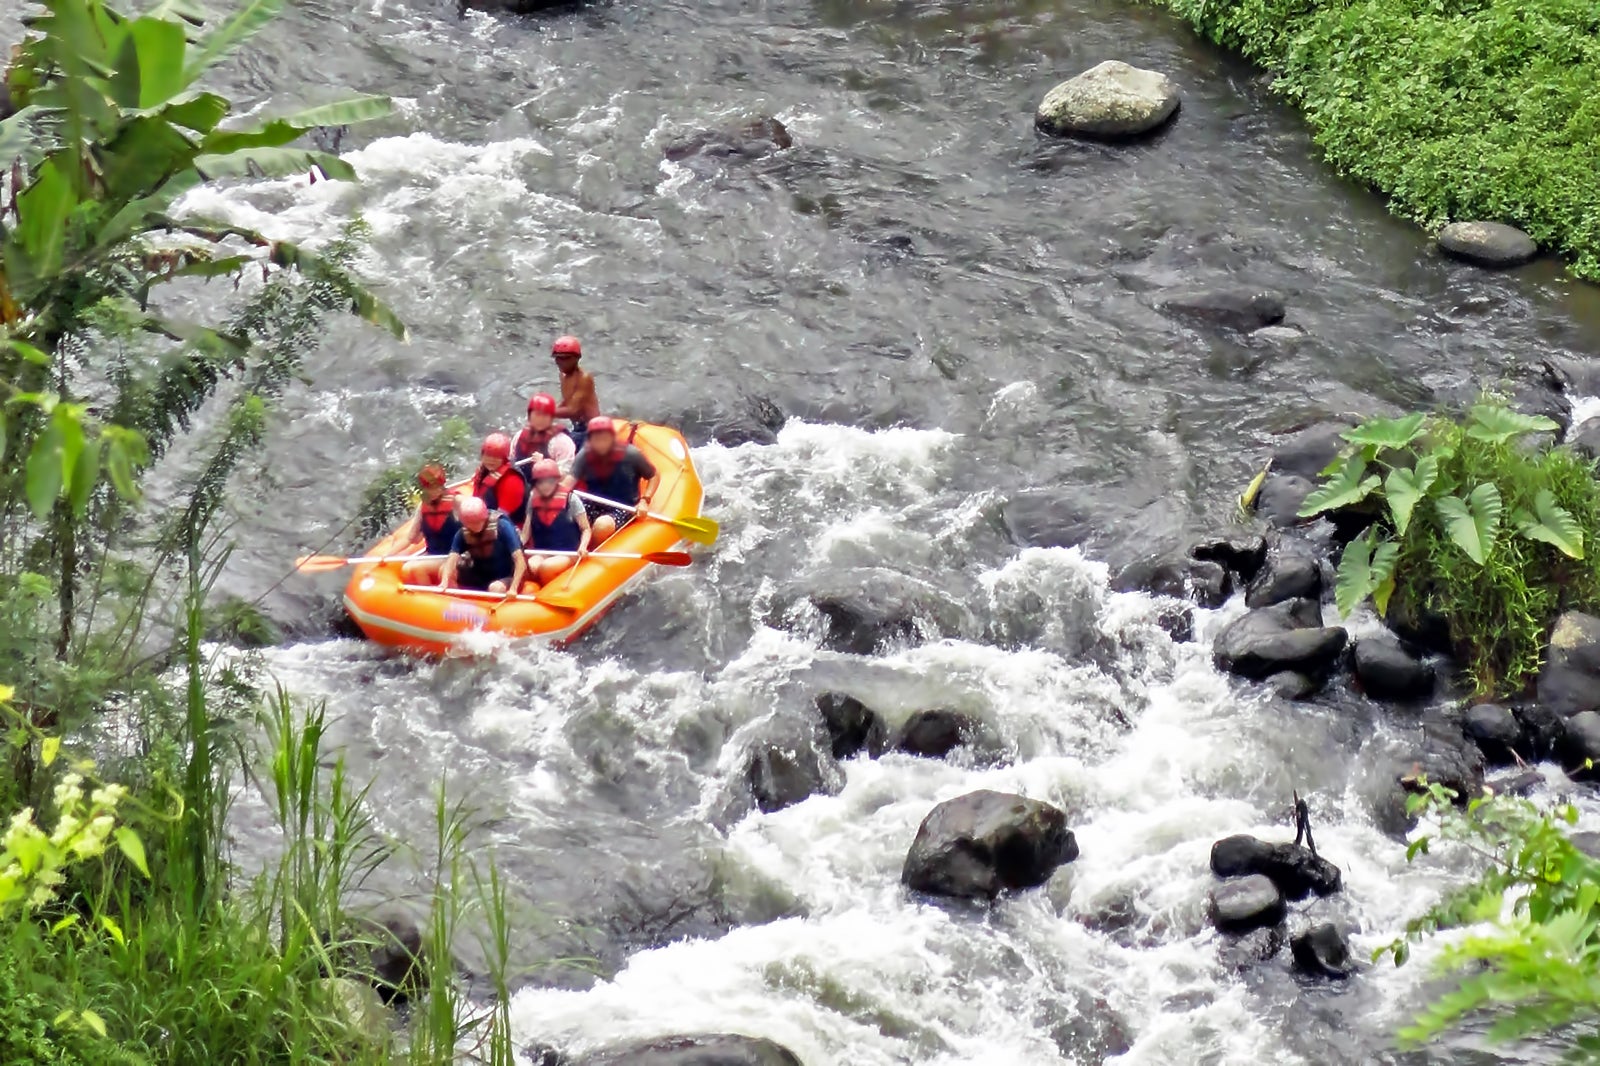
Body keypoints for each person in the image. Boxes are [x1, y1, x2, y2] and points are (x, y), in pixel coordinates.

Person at [565, 415, 660, 545]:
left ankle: (591, 550)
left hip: (624, 507)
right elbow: (569, 481)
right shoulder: (585, 455)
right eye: (596, 439)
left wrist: (645, 500)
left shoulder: (631, 454)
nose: (600, 443)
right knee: (566, 517)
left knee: (602, 525)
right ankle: (575, 546)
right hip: (594, 502)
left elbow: (654, 475)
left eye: (604, 438)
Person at [519, 458, 592, 586]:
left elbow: (586, 528)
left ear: (557, 480)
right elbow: (526, 533)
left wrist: (583, 546)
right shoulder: (533, 500)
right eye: (540, 482)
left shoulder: (571, 499)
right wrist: (516, 547)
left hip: (568, 553)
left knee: (547, 567)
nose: (545, 485)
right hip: (543, 551)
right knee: (531, 567)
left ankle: (549, 591)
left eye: (549, 481)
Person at [439, 496, 526, 597]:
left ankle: (493, 609)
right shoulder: (463, 532)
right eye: (470, 523)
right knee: (444, 569)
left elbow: (520, 560)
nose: (473, 526)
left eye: (476, 522)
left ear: (484, 518)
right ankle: (457, 602)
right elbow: (452, 559)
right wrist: (444, 583)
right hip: (481, 574)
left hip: (506, 575)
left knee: (495, 588)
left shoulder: (502, 526)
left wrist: (513, 588)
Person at [398, 463, 459, 586]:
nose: (434, 491)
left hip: (454, 555)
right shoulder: (423, 506)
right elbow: (411, 538)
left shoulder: (456, 502)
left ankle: (436, 599)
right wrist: (387, 555)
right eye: (430, 488)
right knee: (406, 568)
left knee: (411, 568)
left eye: (437, 487)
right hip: (434, 554)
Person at [550, 335, 601, 450]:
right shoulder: (563, 376)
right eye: (558, 358)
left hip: (590, 430)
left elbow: (573, 410)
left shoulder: (584, 378)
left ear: (576, 358)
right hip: (577, 427)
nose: (561, 362)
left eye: (566, 358)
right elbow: (567, 401)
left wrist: (546, 411)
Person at [472, 432, 528, 527]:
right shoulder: (483, 471)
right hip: (484, 515)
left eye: (496, 457)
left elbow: (502, 516)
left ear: (504, 458)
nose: (491, 460)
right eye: (488, 455)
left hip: (508, 526)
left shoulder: (512, 481)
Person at [511, 392, 576, 473]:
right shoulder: (519, 436)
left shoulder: (562, 442)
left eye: (545, 415)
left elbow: (566, 474)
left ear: (551, 418)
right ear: (529, 415)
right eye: (537, 414)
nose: (541, 419)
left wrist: (543, 465)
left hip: (550, 483)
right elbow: (511, 462)